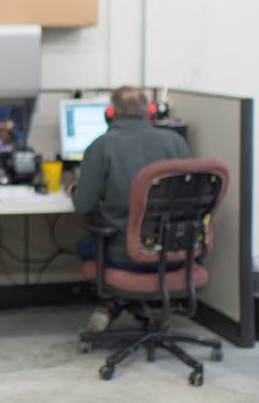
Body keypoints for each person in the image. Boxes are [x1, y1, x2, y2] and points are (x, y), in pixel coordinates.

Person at [67, 85, 191, 334]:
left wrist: (73, 189)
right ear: (150, 112)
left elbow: (83, 205)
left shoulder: (102, 146)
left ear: (110, 114)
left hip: (125, 256)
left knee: (84, 246)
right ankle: (136, 307)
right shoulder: (176, 143)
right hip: (175, 254)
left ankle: (112, 303)